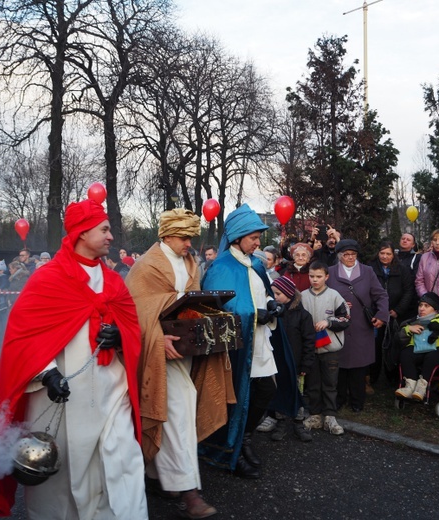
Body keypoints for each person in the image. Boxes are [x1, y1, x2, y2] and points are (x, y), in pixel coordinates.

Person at [0, 198, 147, 518]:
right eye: (104, 230)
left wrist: (120, 337)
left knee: (123, 460)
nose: (110, 237)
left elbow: (130, 326)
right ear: (81, 233)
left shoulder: (115, 280)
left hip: (112, 392)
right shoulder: (48, 279)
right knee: (61, 478)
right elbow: (23, 338)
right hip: (62, 397)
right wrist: (47, 374)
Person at [126, 208, 232, 518]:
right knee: (177, 411)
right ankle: (190, 494)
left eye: (191, 238)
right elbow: (132, 312)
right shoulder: (146, 268)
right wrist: (157, 338)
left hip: (184, 354)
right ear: (167, 234)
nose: (190, 244)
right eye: (185, 238)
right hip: (155, 356)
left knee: (173, 413)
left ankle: (155, 474)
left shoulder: (190, 263)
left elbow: (191, 302)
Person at [200, 203, 300, 479]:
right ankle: (227, 449)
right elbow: (219, 309)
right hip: (237, 345)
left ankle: (243, 438)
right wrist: (258, 313)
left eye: (259, 237)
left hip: (260, 339)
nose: (258, 242)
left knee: (266, 389)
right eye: (254, 237)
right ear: (237, 237)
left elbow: (264, 291)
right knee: (236, 396)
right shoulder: (220, 267)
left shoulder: (256, 262)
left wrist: (272, 304)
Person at [326, 239, 389, 412]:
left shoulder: (367, 271)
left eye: (353, 254)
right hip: (338, 327)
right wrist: (337, 305)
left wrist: (382, 315)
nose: (350, 258)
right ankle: (339, 399)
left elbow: (381, 295)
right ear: (339, 256)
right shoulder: (330, 272)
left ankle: (357, 401)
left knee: (359, 366)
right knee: (339, 364)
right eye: (346, 255)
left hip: (361, 325)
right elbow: (323, 295)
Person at [301, 261, 350, 435]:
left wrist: (329, 322)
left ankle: (330, 416)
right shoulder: (302, 297)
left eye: (319, 277)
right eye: (312, 276)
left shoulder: (335, 295)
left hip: (331, 349)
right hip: (310, 349)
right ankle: (315, 415)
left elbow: (345, 319)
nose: (315, 280)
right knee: (313, 384)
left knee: (330, 383)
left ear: (326, 277)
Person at [269, 276, 316, 442]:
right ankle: (280, 421)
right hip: (277, 362)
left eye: (278, 293)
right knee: (280, 391)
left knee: (298, 392)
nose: (274, 297)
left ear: (289, 294)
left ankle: (298, 423)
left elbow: (309, 342)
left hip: (296, 364)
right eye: (272, 293)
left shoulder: (303, 316)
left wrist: (306, 364)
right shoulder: (274, 314)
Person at [395, 292, 439, 401]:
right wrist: (408, 330)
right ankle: (410, 386)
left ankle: (422, 387)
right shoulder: (411, 322)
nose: (422, 309)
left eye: (426, 306)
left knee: (432, 356)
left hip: (438, 350)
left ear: (435, 309)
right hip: (416, 350)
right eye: (420, 305)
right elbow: (398, 340)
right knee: (405, 354)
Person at [368, 241, 415, 388]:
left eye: (388, 253)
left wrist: (398, 310)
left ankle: (393, 377)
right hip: (375, 314)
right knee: (375, 345)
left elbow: (408, 291)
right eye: (382, 253)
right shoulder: (370, 268)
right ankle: (372, 377)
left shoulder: (402, 269)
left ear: (393, 255)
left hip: (396, 314)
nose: (385, 256)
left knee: (394, 344)